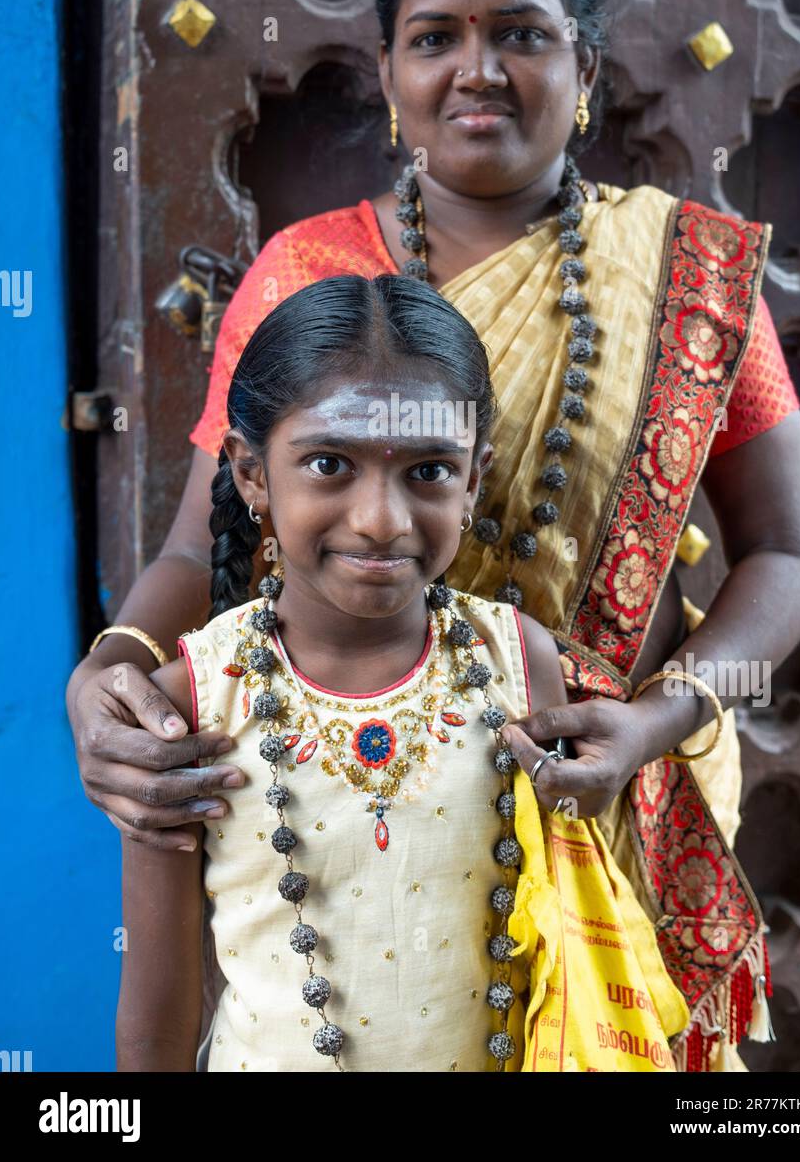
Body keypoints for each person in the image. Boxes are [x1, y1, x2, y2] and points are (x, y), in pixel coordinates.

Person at [73, 0, 800, 1068]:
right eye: (435, 38)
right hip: (344, 777)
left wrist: (655, 717)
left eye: (519, 33)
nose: (477, 70)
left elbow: (789, 550)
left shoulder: (688, 277)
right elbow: (190, 545)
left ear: (579, 63)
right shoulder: (302, 274)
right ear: (386, 75)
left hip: (609, 794)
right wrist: (108, 673)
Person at [116, 273, 688, 1073]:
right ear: (251, 473)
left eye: (427, 472)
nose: (381, 520)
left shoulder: (518, 664)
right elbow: (158, 1018)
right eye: (328, 464)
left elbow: (553, 946)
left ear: (474, 479)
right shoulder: (194, 701)